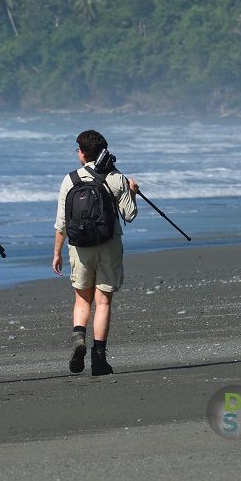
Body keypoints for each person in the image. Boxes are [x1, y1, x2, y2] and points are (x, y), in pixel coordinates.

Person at [52, 130, 139, 376]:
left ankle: (78, 336)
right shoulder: (116, 177)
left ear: (82, 152)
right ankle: (99, 358)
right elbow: (129, 215)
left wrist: (57, 253)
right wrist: (132, 191)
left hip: (80, 247)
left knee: (82, 299)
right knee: (103, 301)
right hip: (109, 243)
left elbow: (62, 224)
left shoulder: (70, 180)